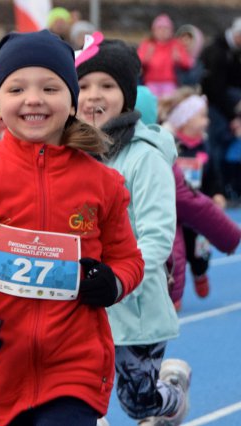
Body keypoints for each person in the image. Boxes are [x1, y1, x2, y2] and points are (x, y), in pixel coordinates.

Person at [0, 30, 144, 425]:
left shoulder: (103, 183)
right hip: (1, 370)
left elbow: (128, 258)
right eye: (16, 89)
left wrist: (111, 283)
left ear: (72, 102)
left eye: (50, 87)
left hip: (76, 367)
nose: (33, 99)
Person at [76, 34, 191, 425]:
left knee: (137, 402)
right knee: (75, 393)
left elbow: (158, 235)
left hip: (133, 306)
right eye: (83, 86)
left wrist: (121, 281)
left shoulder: (144, 159)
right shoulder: (67, 155)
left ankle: (171, 389)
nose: (93, 95)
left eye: (106, 86)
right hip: (77, 304)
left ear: (126, 95)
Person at [137, 84, 241, 311]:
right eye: (201, 116)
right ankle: (175, 295)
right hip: (173, 210)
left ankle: (200, 272)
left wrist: (217, 194)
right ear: (184, 119)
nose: (206, 121)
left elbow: (213, 175)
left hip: (197, 207)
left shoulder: (204, 147)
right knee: (175, 252)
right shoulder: (169, 144)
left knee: (200, 253)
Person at [200, 17, 241, 201]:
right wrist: (233, 114)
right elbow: (216, 88)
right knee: (214, 148)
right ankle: (218, 191)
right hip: (216, 108)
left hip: (226, 107)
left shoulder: (233, 51)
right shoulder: (217, 52)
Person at [137, 14, 193, 100]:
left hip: (169, 83)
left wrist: (179, 59)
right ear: (153, 31)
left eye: (166, 29)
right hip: (151, 82)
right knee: (151, 103)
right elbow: (137, 62)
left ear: (171, 31)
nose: (162, 32)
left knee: (168, 105)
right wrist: (146, 58)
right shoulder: (147, 44)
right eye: (159, 29)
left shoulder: (176, 45)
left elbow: (188, 64)